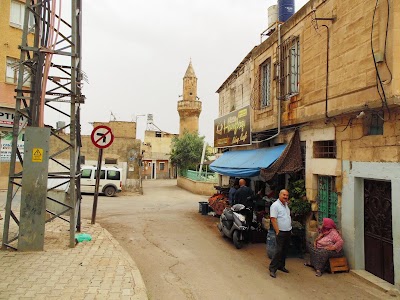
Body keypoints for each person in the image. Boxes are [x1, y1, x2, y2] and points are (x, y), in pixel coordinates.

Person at [269, 189, 291, 278]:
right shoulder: (275, 206)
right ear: (279, 195)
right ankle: (272, 269)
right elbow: (273, 219)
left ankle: (281, 266)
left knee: (284, 250)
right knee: (278, 250)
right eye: (284, 195)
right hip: (280, 231)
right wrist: (277, 231)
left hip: (288, 230)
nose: (285, 197)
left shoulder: (286, 205)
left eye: (287, 195)